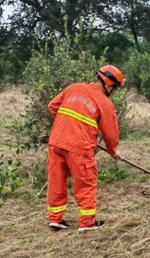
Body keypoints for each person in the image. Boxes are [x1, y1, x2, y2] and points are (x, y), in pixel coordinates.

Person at [46, 65, 125, 232]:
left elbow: (52, 106)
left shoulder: (74, 87)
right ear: (109, 85)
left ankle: (56, 219)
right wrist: (113, 151)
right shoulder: (104, 102)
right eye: (115, 88)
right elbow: (110, 134)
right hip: (79, 147)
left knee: (56, 179)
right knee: (85, 182)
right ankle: (87, 223)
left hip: (56, 141)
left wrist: (68, 125)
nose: (115, 92)